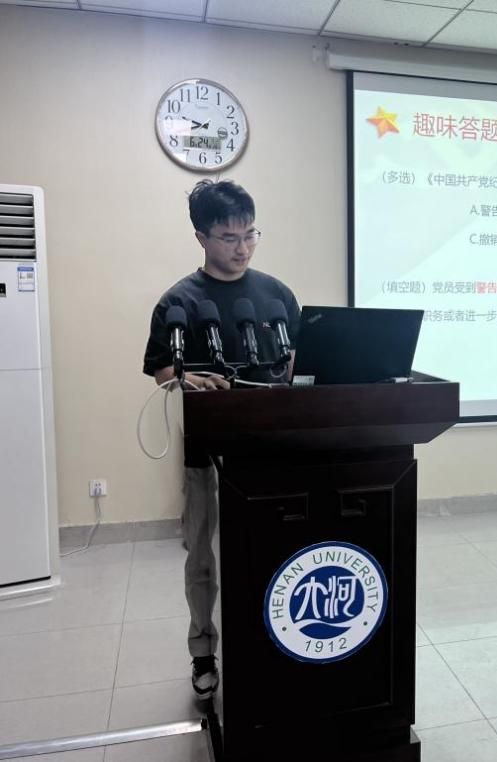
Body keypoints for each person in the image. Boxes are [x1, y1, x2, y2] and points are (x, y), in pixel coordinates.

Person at [142, 179, 300, 699]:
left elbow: (296, 365)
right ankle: (204, 651)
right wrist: (187, 378)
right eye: (229, 237)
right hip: (206, 453)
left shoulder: (277, 295)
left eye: (250, 234)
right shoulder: (179, 301)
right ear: (201, 237)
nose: (243, 247)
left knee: (267, 551)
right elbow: (161, 369)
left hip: (270, 452)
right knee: (204, 557)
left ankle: (268, 643)